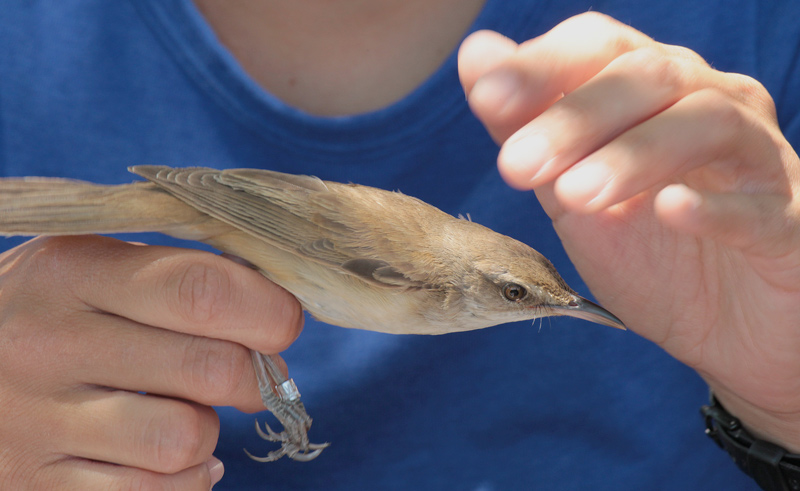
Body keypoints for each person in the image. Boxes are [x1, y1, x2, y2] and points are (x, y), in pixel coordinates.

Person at [2, 0, 799, 489]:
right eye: (515, 295)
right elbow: (288, 234)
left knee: (256, 319)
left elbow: (273, 309)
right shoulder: (422, 273)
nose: (528, 310)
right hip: (246, 215)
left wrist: (785, 405)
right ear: (469, 283)